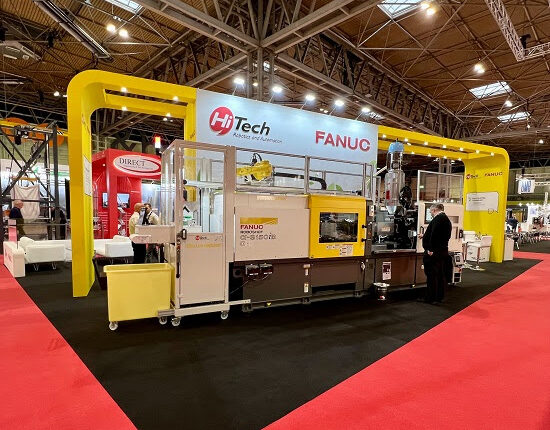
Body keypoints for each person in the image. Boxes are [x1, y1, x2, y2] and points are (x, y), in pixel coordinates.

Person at [420, 203, 452, 304]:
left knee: (432, 275)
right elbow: (441, 236)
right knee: (440, 275)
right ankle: (439, 297)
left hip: (434, 253)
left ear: (434, 210)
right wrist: (425, 235)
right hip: (442, 251)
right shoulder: (446, 219)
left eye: (430, 212)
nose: (430, 213)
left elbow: (435, 236)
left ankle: (430, 297)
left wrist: (430, 250)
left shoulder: (438, 219)